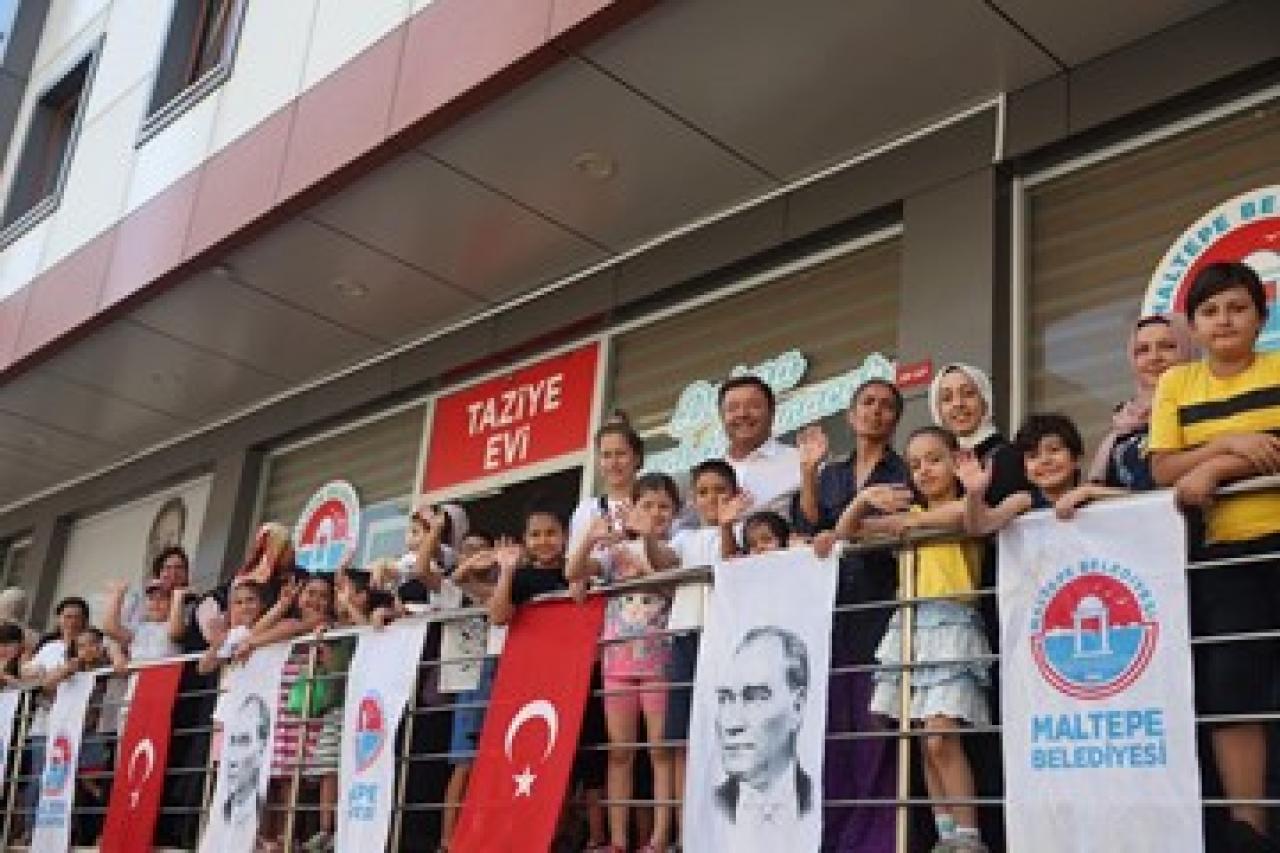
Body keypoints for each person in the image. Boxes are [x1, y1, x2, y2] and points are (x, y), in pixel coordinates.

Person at [1147, 261, 1280, 852]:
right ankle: (1249, 828)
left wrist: (1216, 467)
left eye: (1237, 308)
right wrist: (1228, 443)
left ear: (1261, 316)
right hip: (1224, 556)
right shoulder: (1177, 383)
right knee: (1232, 690)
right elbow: (1163, 468)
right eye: (1209, 311)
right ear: (1194, 326)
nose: (1224, 320)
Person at [837, 426, 991, 852]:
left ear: (956, 462)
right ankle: (946, 836)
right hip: (910, 624)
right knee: (925, 740)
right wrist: (864, 500)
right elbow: (847, 532)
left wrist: (907, 521)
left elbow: (965, 518)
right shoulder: (910, 516)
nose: (924, 470)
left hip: (952, 623)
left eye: (934, 459)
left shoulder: (969, 503)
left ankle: (969, 838)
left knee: (942, 735)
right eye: (915, 464)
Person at [794, 378, 912, 852]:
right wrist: (808, 471)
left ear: (896, 418)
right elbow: (809, 526)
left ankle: (876, 839)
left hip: (881, 605)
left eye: (886, 406)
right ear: (851, 414)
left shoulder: (902, 469)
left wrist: (848, 526)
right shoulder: (834, 472)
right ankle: (834, 836)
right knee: (834, 726)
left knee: (876, 723)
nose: (876, 411)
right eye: (867, 403)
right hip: (830, 609)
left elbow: (889, 526)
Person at [568, 474, 681, 853]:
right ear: (632, 508)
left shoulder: (675, 547)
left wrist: (645, 540)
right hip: (617, 664)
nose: (655, 513)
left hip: (659, 663)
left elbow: (666, 579)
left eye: (664, 506)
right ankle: (618, 840)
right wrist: (590, 538)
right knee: (620, 753)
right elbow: (572, 572)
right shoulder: (613, 553)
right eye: (647, 505)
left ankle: (659, 837)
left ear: (675, 512)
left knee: (660, 752)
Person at [241, 574, 348, 853]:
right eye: (310, 593)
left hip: (306, 710)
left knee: (292, 778)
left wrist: (253, 643)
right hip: (280, 708)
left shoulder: (323, 624)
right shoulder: (287, 623)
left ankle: (285, 837)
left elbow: (282, 632)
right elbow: (254, 632)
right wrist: (280, 606)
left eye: (323, 595)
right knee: (273, 775)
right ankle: (266, 838)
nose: (315, 600)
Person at [665, 459, 739, 834]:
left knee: (723, 732)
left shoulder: (740, 529)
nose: (712, 499)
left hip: (723, 635)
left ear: (735, 495)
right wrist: (647, 537)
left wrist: (726, 525)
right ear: (693, 500)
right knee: (683, 736)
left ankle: (721, 826)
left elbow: (732, 563)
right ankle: (685, 828)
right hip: (684, 634)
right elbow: (661, 562)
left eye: (720, 491)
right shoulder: (683, 538)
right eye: (703, 492)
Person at [713, 626, 814, 839]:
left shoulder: (822, 799)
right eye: (725, 698)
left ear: (797, 706)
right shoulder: (710, 806)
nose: (732, 724)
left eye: (755, 697)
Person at [1084, 314, 1198, 490]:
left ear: (1187, 350)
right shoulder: (1125, 421)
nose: (1154, 357)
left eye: (1167, 347)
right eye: (1143, 350)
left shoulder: (1205, 410)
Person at [19, 596, 90, 841]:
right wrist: (40, 673)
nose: (72, 621)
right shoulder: (49, 648)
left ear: (85, 620)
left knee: (70, 782)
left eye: (78, 617)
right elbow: (30, 676)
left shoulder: (90, 645)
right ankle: (30, 831)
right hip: (44, 724)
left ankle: (65, 834)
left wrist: (51, 678)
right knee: (38, 780)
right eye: (67, 616)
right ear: (59, 619)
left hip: (76, 726)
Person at [960, 414, 1102, 534]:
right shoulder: (1024, 501)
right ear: (1025, 471)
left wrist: (1087, 492)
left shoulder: (1090, 496)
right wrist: (974, 493)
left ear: (1076, 458)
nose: (1045, 460)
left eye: (1054, 450)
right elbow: (980, 526)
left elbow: (1117, 498)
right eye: (1033, 456)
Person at [719, 376, 802, 515]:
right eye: (732, 408)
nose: (742, 414)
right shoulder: (711, 474)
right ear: (722, 417)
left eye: (753, 406)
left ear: (772, 412)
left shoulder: (800, 462)